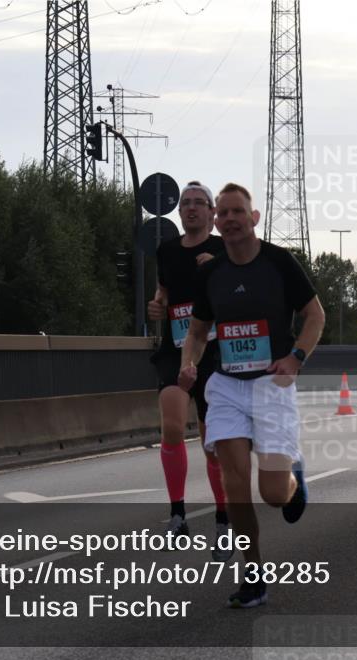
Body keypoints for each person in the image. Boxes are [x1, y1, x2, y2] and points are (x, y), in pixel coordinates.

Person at [179, 182, 325, 609]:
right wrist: (189, 362)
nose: (228, 219)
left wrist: (296, 356)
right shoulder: (211, 274)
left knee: (273, 494)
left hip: (272, 383)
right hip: (226, 386)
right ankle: (253, 574)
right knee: (234, 484)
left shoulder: (279, 263)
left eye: (237, 212)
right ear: (215, 220)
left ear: (254, 217)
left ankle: (294, 479)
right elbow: (198, 331)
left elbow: (314, 315)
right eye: (222, 213)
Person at [147, 181, 231, 560]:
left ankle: (224, 518)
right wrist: (158, 303)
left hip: (214, 352)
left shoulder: (222, 249)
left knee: (212, 443)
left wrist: (218, 272)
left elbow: (240, 292)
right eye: (186, 203)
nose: (192, 208)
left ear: (213, 213)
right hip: (175, 348)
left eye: (200, 203)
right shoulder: (166, 250)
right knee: (172, 426)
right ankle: (178, 515)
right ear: (179, 212)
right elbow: (164, 290)